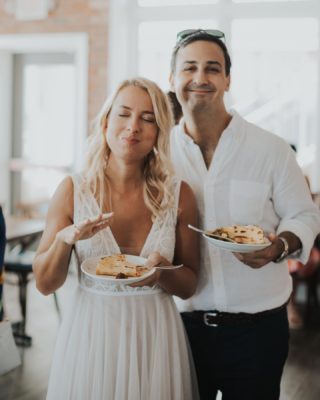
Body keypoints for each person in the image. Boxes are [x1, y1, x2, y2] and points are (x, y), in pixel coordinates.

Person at [168, 29, 320, 400]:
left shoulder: (271, 148)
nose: (200, 78)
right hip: (179, 326)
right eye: (189, 68)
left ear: (228, 79)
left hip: (258, 330)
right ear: (172, 79)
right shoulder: (159, 154)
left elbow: (304, 215)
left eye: (212, 68)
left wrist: (279, 247)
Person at [33, 77, 200, 400]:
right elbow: (44, 284)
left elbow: (190, 283)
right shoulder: (72, 190)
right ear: (107, 120)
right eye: (123, 114)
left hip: (155, 337)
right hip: (92, 336)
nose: (133, 126)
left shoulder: (180, 195)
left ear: (159, 132)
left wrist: (163, 270)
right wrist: (64, 240)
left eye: (148, 118)